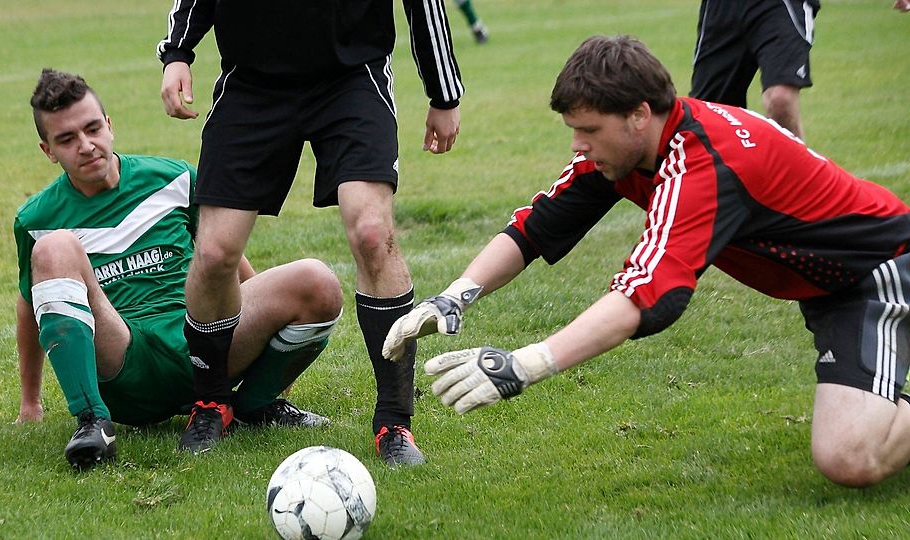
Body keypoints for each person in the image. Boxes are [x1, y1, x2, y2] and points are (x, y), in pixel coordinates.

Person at [383, 35, 910, 488]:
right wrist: (455, 297)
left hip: (880, 272)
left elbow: (647, 294)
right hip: (829, 287)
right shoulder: (632, 151)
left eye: (588, 130)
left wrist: (523, 366)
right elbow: (538, 224)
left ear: (638, 116)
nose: (577, 144)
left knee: (848, 456)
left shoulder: (704, 163)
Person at [156, 1, 464, 465]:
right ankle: (211, 402)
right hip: (251, 81)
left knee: (372, 234)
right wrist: (178, 50)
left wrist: (443, 93)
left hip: (351, 77)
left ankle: (394, 422)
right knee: (217, 252)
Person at [15, 69, 342, 469]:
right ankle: (92, 421)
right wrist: (30, 401)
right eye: (66, 139)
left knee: (317, 281)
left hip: (203, 346)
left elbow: (222, 257)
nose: (86, 146)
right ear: (48, 150)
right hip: (124, 361)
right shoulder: (37, 218)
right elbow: (32, 305)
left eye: (92, 128)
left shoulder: (174, 178)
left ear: (109, 126)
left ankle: (252, 406)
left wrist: (265, 340)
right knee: (55, 247)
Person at [689, 0, 819, 139]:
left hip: (780, 4)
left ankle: (792, 160)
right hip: (723, 6)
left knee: (781, 100)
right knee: (709, 115)